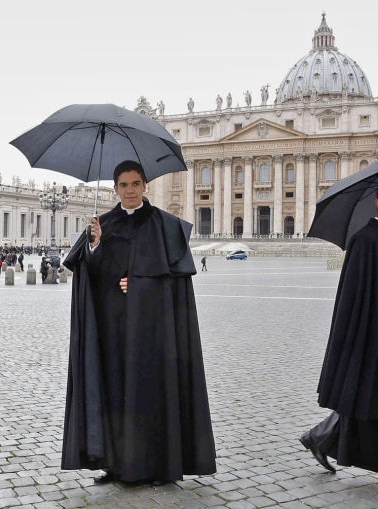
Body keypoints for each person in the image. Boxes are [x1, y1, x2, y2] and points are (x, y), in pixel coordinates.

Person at [61, 160, 216, 484]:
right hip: (113, 329)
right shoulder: (101, 223)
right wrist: (95, 244)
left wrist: (143, 284)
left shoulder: (166, 225)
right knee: (115, 395)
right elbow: (90, 275)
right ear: (115, 188)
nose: (129, 190)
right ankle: (115, 464)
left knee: (152, 395)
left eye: (135, 184)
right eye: (123, 185)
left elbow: (177, 285)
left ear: (145, 185)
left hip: (153, 332)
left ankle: (160, 466)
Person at [300, 180, 378, 494]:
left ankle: (319, 437)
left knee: (368, 396)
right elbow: (357, 297)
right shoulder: (366, 240)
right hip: (374, 336)